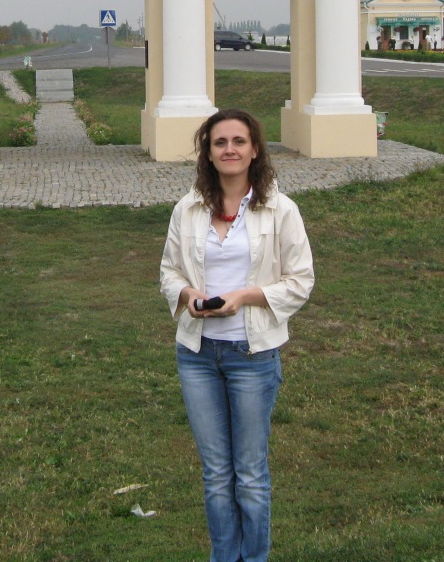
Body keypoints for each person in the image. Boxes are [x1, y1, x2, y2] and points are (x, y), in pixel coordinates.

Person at [159, 108, 314, 562]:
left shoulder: (281, 210)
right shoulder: (187, 209)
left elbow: (300, 281)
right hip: (197, 355)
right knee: (215, 474)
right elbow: (168, 271)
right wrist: (187, 293)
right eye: (220, 142)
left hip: (252, 356)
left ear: (255, 150)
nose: (229, 149)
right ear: (208, 154)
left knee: (249, 474)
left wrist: (245, 296)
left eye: (239, 141)